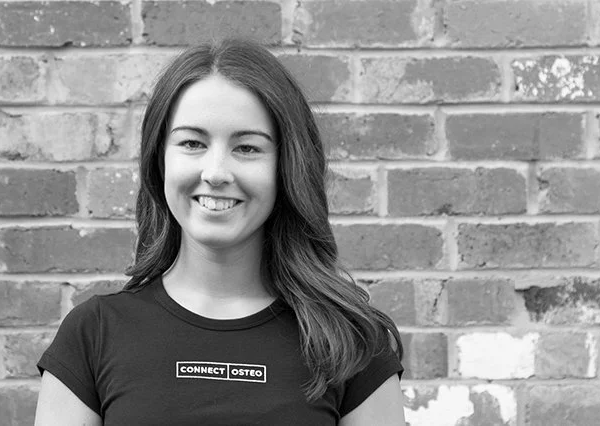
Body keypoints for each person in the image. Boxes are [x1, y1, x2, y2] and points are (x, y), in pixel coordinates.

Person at [34, 38, 405, 426]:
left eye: (247, 148)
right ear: (159, 160)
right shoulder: (93, 334)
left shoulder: (353, 343)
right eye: (192, 143)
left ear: (286, 167)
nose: (215, 172)